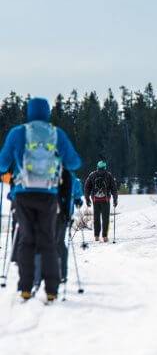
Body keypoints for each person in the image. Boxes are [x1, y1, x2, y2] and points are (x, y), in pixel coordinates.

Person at [0, 97, 81, 302]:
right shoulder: (56, 134)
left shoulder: (18, 133)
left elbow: (2, 164)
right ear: (47, 112)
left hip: (23, 193)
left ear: (29, 112)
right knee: (47, 240)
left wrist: (9, 172)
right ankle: (52, 289)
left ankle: (26, 288)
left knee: (26, 240)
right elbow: (74, 162)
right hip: (48, 195)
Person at [34, 169, 84, 288]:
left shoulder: (66, 174)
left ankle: (58, 273)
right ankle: (53, 272)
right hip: (59, 213)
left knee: (56, 242)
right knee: (55, 242)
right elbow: (77, 191)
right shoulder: (71, 175)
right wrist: (78, 199)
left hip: (60, 214)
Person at [84, 161, 118, 242]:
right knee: (105, 218)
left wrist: (87, 198)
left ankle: (96, 236)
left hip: (95, 200)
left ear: (97, 167)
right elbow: (114, 188)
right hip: (105, 200)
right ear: (105, 167)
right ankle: (105, 236)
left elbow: (86, 187)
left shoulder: (92, 175)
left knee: (96, 218)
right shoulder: (108, 175)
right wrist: (115, 199)